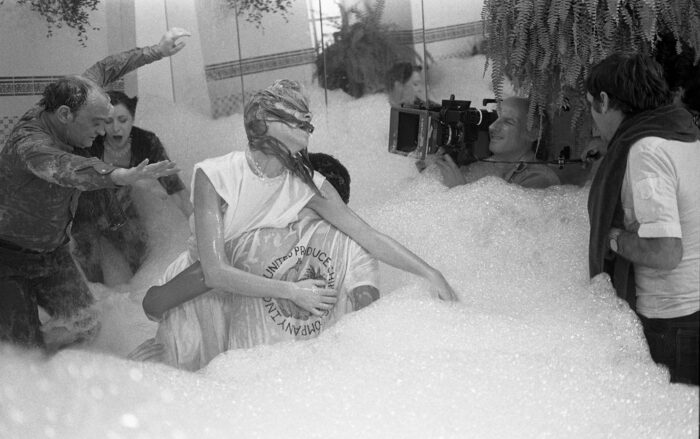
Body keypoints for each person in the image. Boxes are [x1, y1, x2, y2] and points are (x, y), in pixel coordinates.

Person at [0, 27, 191, 350]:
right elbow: (67, 169)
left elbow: (108, 67)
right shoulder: (30, 145)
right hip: (7, 257)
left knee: (87, 326)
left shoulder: (78, 96)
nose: (103, 131)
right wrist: (118, 174)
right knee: (22, 352)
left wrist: (157, 51)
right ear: (65, 115)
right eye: (96, 123)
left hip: (53, 253)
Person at [136, 153, 381, 370]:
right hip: (259, 378)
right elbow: (370, 323)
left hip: (247, 378)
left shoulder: (257, 241)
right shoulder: (353, 249)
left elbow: (155, 303)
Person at [586, 52, 699, 385]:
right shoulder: (686, 137)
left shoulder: (646, 151)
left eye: (591, 105)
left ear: (604, 100)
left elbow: (665, 252)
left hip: (673, 323)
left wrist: (611, 237)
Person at [71, 90, 192, 286]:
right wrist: (137, 181)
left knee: (140, 255)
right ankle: (106, 300)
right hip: (85, 214)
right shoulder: (90, 142)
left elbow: (176, 190)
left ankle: (136, 297)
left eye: (123, 120)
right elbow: (82, 176)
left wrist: (197, 224)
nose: (116, 128)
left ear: (132, 119)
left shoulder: (146, 142)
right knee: (92, 273)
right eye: (108, 121)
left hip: (120, 211)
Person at [430, 96, 561, 189]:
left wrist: (459, 192)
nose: (492, 126)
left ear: (533, 133)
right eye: (496, 118)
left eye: (508, 122)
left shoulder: (540, 179)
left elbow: (507, 221)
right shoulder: (482, 165)